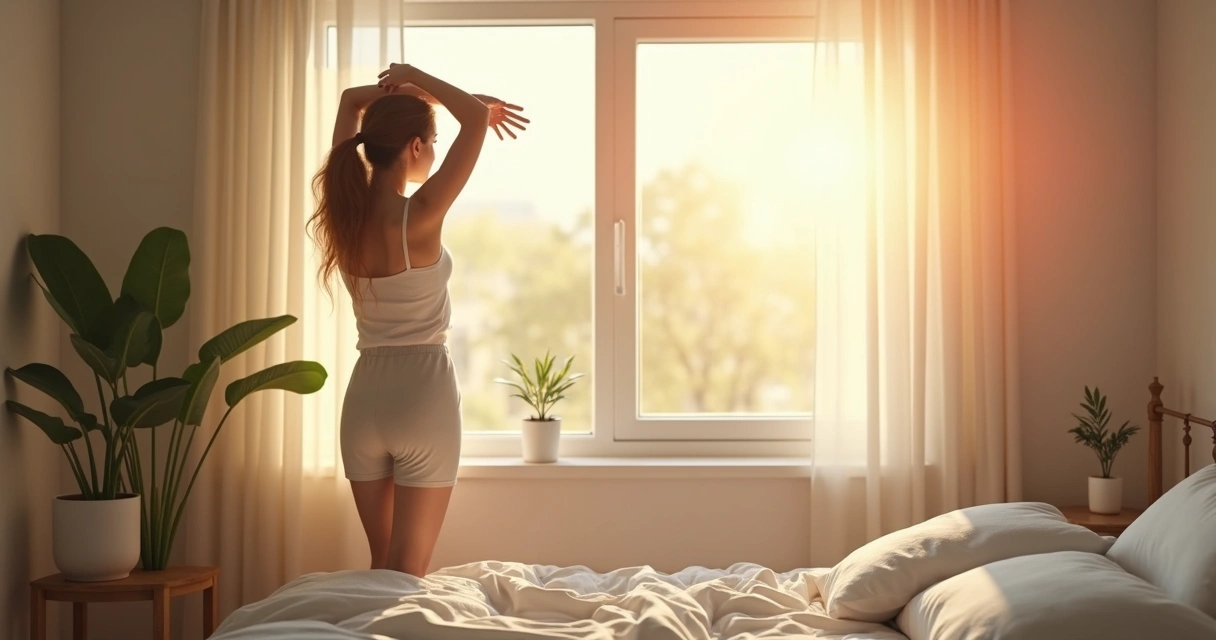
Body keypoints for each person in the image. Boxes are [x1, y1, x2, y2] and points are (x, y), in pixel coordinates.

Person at [308, 63, 528, 575]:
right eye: (430, 139)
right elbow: (474, 118)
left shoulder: (344, 216)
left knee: (381, 565)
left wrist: (412, 95)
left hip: (364, 400)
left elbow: (348, 102)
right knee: (408, 574)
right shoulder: (423, 211)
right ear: (413, 146)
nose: (433, 149)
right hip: (423, 395)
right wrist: (415, 81)